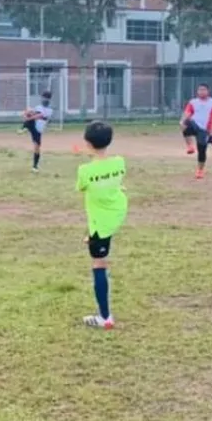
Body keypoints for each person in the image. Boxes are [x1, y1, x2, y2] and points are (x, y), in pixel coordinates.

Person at [77, 120, 127, 330]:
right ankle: (93, 237)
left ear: (87, 143)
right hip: (117, 212)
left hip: (102, 222)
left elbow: (82, 187)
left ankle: (105, 317)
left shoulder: (85, 170)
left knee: (99, 263)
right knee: (98, 242)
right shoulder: (119, 162)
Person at [180, 83, 212, 179]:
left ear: (208, 91)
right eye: (200, 90)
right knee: (184, 124)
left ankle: (200, 170)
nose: (201, 92)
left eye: (204, 90)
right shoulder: (193, 102)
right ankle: (190, 146)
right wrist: (182, 121)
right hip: (194, 124)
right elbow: (187, 113)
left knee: (202, 150)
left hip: (204, 129)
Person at [18, 90, 54, 173]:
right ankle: (23, 128)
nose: (44, 100)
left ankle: (35, 167)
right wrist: (27, 113)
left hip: (39, 131)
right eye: (43, 98)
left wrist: (29, 117)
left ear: (49, 100)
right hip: (33, 126)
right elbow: (32, 113)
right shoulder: (38, 107)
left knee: (37, 148)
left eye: (46, 98)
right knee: (29, 118)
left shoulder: (49, 110)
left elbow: (39, 115)